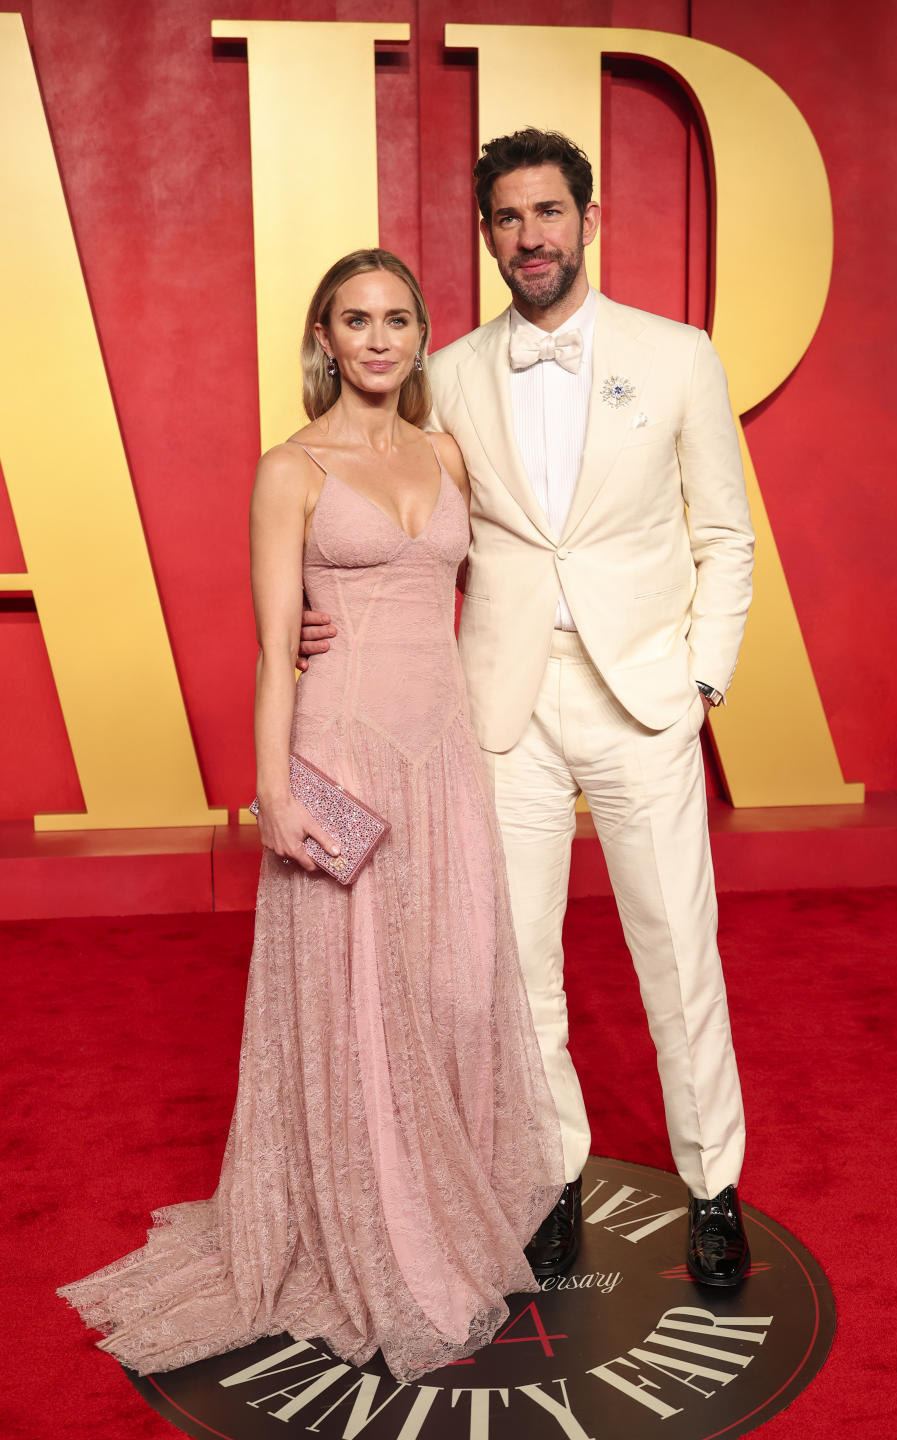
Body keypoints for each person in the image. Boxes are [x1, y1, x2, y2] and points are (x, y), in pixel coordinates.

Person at [58, 249, 564, 1381]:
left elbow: (505, 588)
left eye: (396, 320)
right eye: (355, 320)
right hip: (342, 750)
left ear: (422, 336)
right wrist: (273, 790)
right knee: (360, 1002)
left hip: (443, 756)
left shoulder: (450, 454)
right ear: (323, 339)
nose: (378, 339)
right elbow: (275, 650)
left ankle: (452, 1198)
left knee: (452, 981)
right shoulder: (289, 469)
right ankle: (378, 1233)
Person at [300, 131, 755, 1288]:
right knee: (519, 965)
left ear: (588, 221)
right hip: (498, 706)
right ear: (489, 234)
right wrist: (325, 616)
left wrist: (702, 681)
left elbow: (724, 537)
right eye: (508, 218)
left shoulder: (679, 356)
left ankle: (713, 1189)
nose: (531, 236)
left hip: (644, 699)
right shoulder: (442, 370)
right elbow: (380, 505)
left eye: (549, 212)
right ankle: (553, 1181)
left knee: (678, 955)